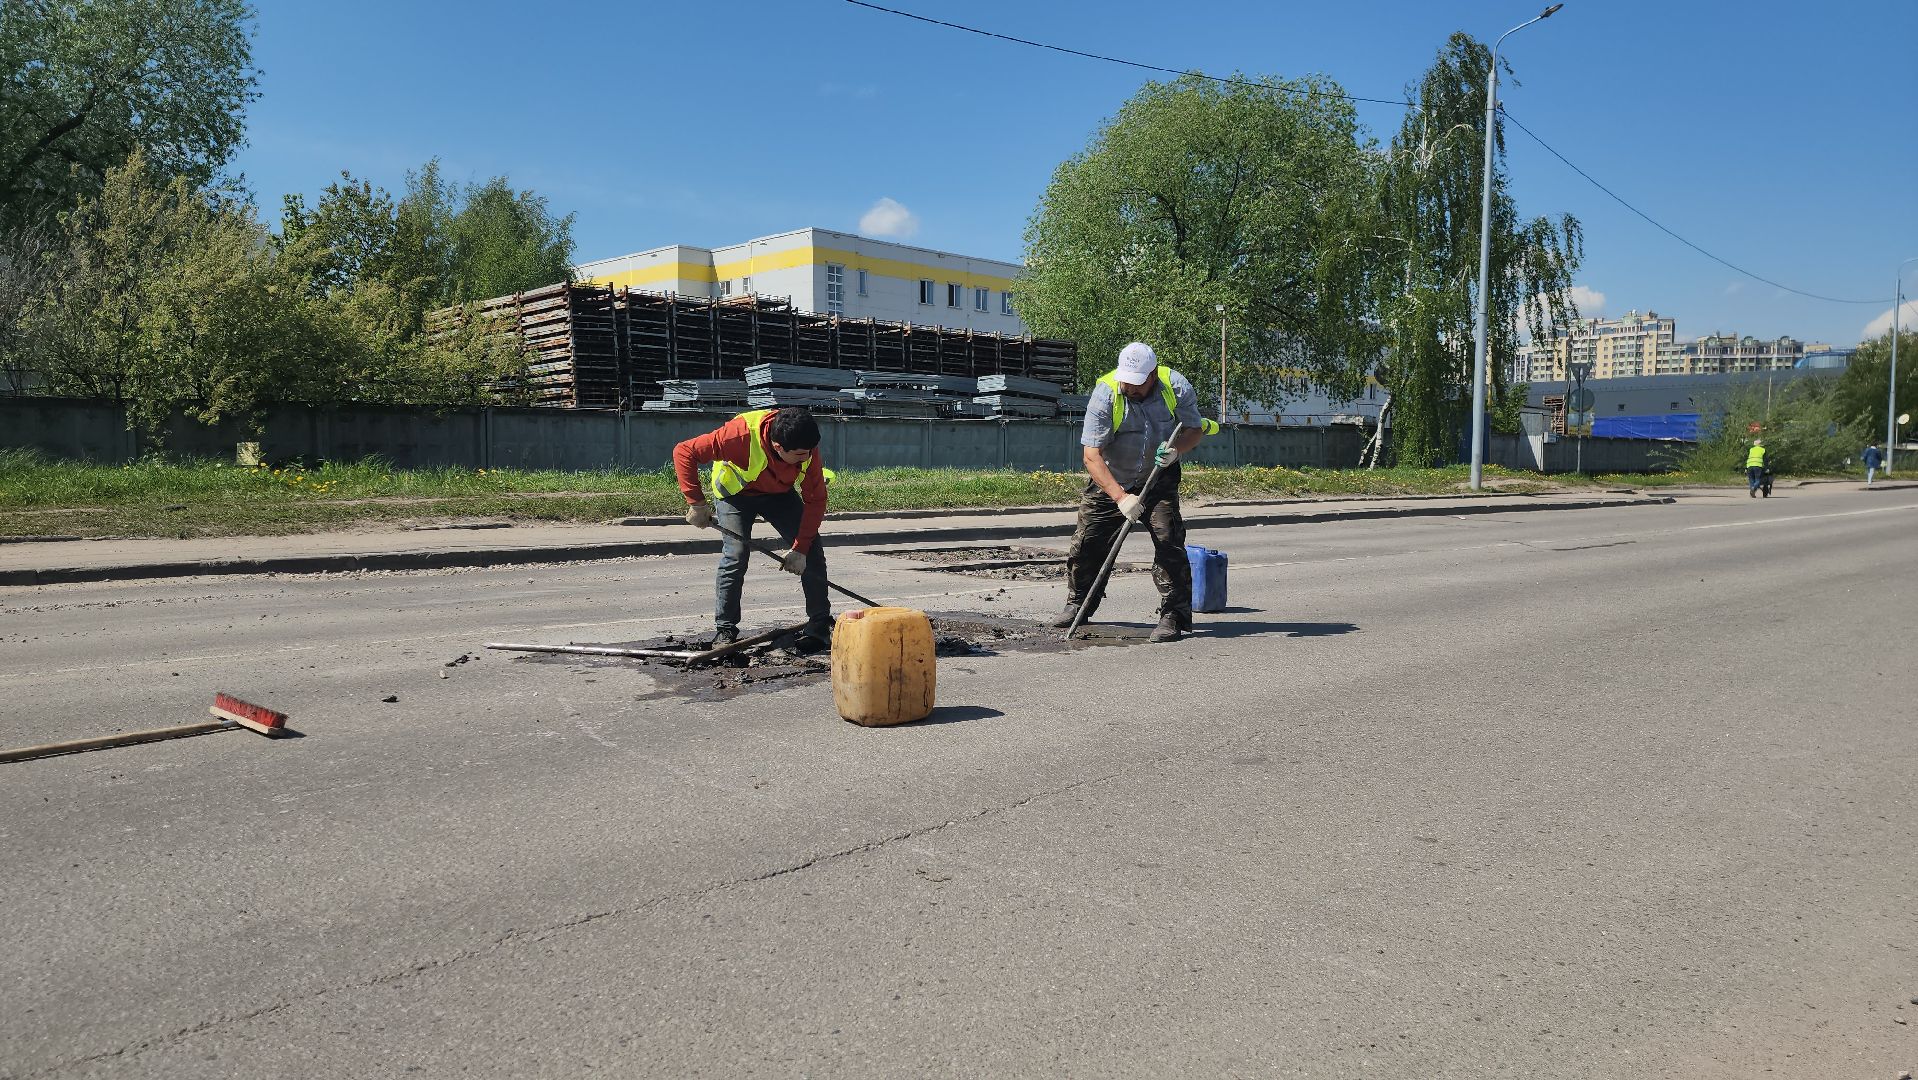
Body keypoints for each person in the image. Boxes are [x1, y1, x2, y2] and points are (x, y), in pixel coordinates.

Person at [1051, 341, 1216, 642]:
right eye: (1127, 380)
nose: (1132, 387)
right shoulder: (1106, 393)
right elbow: (1091, 455)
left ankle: (1173, 616)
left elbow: (1195, 429)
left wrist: (1175, 451)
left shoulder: (1175, 387)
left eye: (1139, 383)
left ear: (1153, 374)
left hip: (1158, 479)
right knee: (1087, 543)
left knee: (1169, 541)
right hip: (1113, 478)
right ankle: (1078, 603)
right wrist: (1120, 497)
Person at [674, 406, 833, 651]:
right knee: (736, 554)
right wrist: (696, 503)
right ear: (779, 447)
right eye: (801, 454)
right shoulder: (737, 437)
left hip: (779, 494)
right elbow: (684, 451)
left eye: (809, 452)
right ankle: (725, 630)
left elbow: (816, 500)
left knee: (812, 551)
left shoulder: (805, 445)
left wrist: (800, 549)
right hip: (736, 494)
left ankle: (820, 626)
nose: (808, 457)